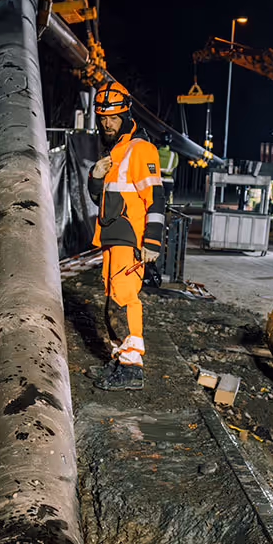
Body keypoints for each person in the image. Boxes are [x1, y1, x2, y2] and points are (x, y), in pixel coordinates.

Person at [90, 80, 165, 390]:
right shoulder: (113, 154)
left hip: (130, 238)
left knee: (125, 297)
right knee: (112, 297)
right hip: (111, 235)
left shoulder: (140, 149)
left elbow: (156, 198)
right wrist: (94, 177)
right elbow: (103, 198)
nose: (108, 123)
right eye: (103, 117)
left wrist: (152, 241)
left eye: (114, 117)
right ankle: (121, 357)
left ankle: (132, 368)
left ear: (126, 116)